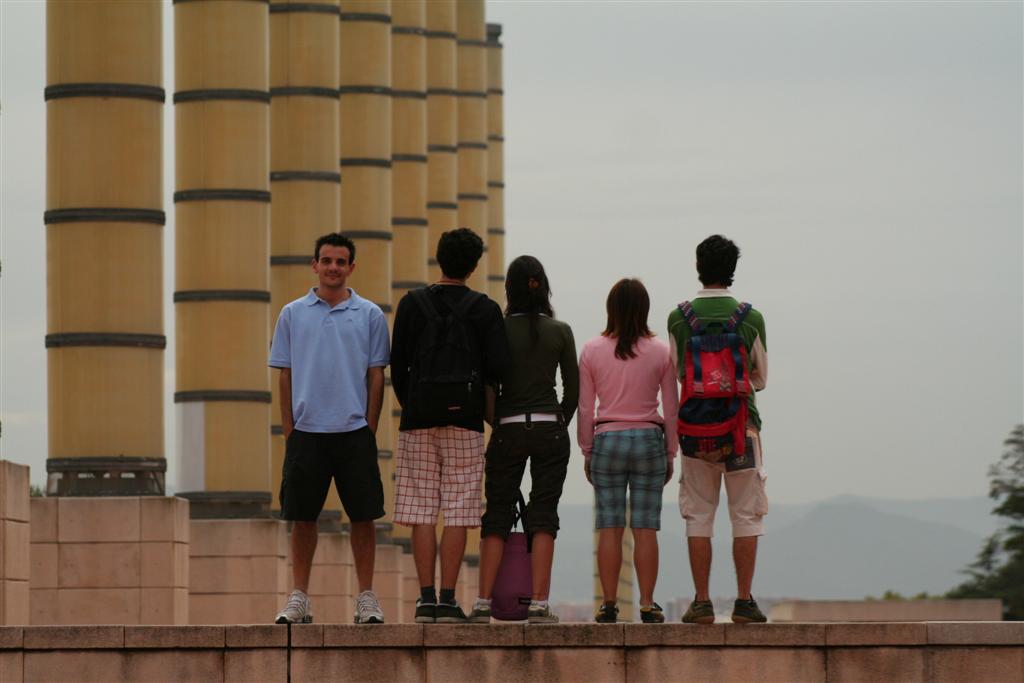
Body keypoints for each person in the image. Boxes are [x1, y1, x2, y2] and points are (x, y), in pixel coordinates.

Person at [390, 228, 511, 623]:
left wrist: (415, 403)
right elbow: (498, 367)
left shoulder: (412, 304)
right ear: (473, 266)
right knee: (459, 510)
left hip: (418, 418)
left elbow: (398, 365)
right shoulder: (484, 309)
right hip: (466, 420)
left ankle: (425, 600)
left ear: (438, 258)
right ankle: (447, 599)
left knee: (422, 509)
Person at [270, 232, 390, 625]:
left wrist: (369, 427)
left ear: (351, 267)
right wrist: (289, 429)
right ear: (315, 265)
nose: (333, 268)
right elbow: (285, 375)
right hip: (306, 432)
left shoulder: (370, 315)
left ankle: (366, 597)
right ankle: (299, 597)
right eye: (326, 260)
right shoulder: (292, 313)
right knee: (302, 518)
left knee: (363, 517)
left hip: (354, 431)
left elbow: (377, 375)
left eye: (340, 261)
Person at [468, 256, 579, 624]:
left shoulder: (497, 330)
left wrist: (497, 420)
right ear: (543, 287)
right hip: (550, 427)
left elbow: (487, 386)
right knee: (544, 514)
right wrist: (559, 422)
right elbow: (573, 391)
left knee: (497, 514)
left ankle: (483, 602)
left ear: (509, 289)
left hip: (508, 427)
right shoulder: (560, 331)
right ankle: (539, 603)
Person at [668, 234, 769, 624]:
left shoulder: (679, 318)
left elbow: (679, 371)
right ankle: (744, 601)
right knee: (746, 515)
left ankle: (702, 601)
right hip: (742, 429)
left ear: (698, 266)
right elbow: (760, 378)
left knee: (699, 516)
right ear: (733, 270)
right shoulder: (751, 318)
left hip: (695, 430)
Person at [578, 278, 679, 624]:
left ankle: (608, 605)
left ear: (610, 308)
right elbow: (671, 407)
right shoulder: (661, 352)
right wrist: (670, 452)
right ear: (645, 309)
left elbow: (586, 408)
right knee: (645, 528)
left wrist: (587, 450)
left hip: (607, 439)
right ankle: (647, 604)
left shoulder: (592, 350)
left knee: (610, 526)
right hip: (649, 439)